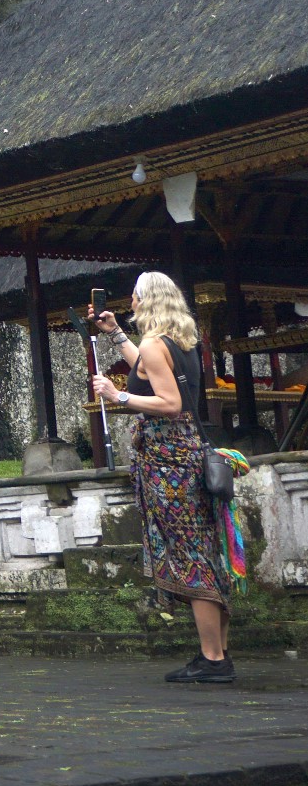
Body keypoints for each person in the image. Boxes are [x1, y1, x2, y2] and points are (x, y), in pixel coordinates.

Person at [91, 271, 233, 683]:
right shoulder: (178, 341)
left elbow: (170, 403)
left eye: (135, 297)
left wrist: (118, 395)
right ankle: (217, 654)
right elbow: (148, 367)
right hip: (189, 454)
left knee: (191, 556)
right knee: (204, 552)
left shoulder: (155, 344)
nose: (131, 302)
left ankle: (213, 659)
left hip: (168, 462)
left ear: (147, 299)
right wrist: (115, 333)